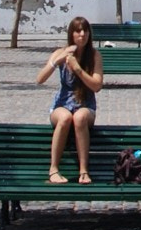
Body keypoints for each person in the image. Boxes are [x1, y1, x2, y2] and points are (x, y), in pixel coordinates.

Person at [36, 16, 104, 184]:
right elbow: (40, 79)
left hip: (85, 104)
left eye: (85, 31)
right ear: (71, 34)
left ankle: (83, 171)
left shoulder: (94, 56)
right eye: (78, 31)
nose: (82, 34)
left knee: (79, 118)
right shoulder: (61, 52)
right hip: (62, 103)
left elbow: (96, 86)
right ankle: (53, 170)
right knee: (65, 118)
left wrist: (77, 68)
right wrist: (57, 61)